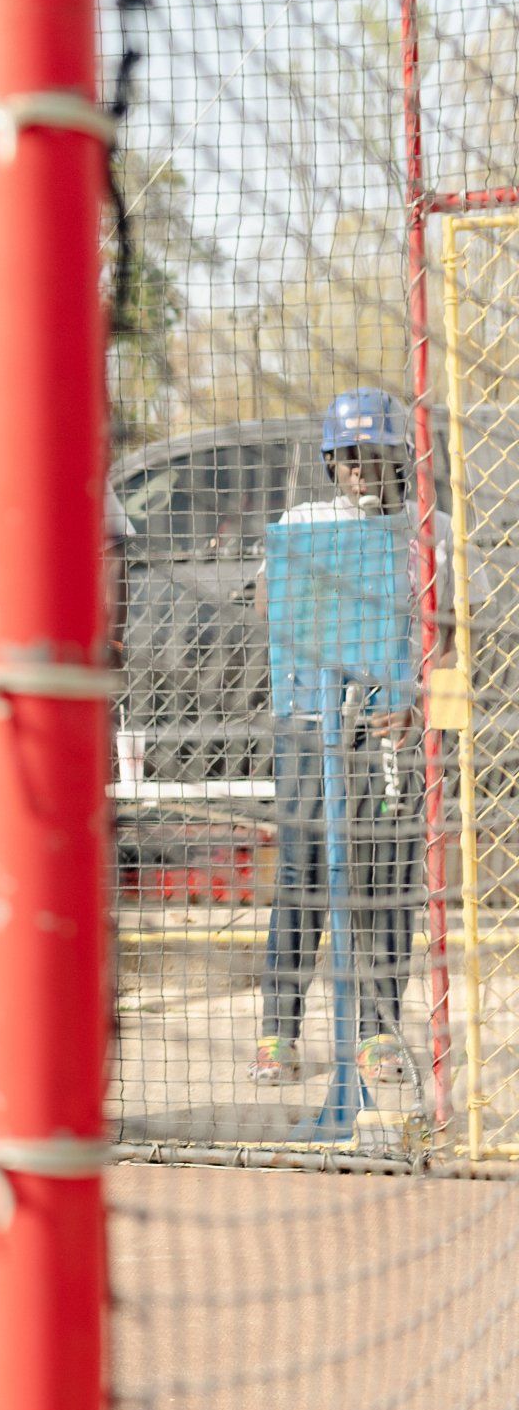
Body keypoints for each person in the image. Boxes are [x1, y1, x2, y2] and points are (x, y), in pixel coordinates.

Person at [254, 388, 454, 1088]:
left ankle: (377, 1033)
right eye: (346, 459)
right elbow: (266, 603)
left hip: (390, 737)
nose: (359, 471)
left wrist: (415, 704)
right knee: (303, 879)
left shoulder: (430, 534)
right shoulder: (305, 521)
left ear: (401, 458)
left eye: (372, 457)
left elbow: (451, 640)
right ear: (331, 464)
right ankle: (278, 1034)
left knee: (388, 883)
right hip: (311, 726)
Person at [0, 457, 133, 940]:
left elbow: (115, 553)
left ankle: (77, 899)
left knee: (67, 793)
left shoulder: (81, 477)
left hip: (61, 676)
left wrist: (113, 639)